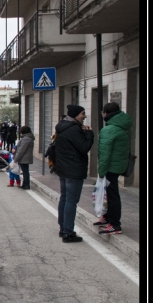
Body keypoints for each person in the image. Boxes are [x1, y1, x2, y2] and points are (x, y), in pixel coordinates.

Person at [55, 104, 95, 243]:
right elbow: (83, 148)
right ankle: (68, 232)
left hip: (63, 168)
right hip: (74, 169)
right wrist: (89, 134)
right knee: (71, 200)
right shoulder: (73, 129)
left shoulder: (63, 126)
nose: (85, 116)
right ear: (76, 115)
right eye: (83, 113)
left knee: (65, 198)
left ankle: (63, 228)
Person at [95, 102, 132, 235]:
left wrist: (101, 171)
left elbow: (105, 154)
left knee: (112, 195)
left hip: (110, 167)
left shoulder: (109, 129)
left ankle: (115, 224)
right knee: (110, 194)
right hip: (118, 165)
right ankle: (108, 218)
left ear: (105, 113)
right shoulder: (123, 125)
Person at [12, 125, 34, 190]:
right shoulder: (27, 138)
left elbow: (21, 150)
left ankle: (26, 184)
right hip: (25, 157)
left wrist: (16, 159)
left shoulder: (26, 139)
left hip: (24, 158)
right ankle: (25, 184)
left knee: (25, 171)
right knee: (25, 171)